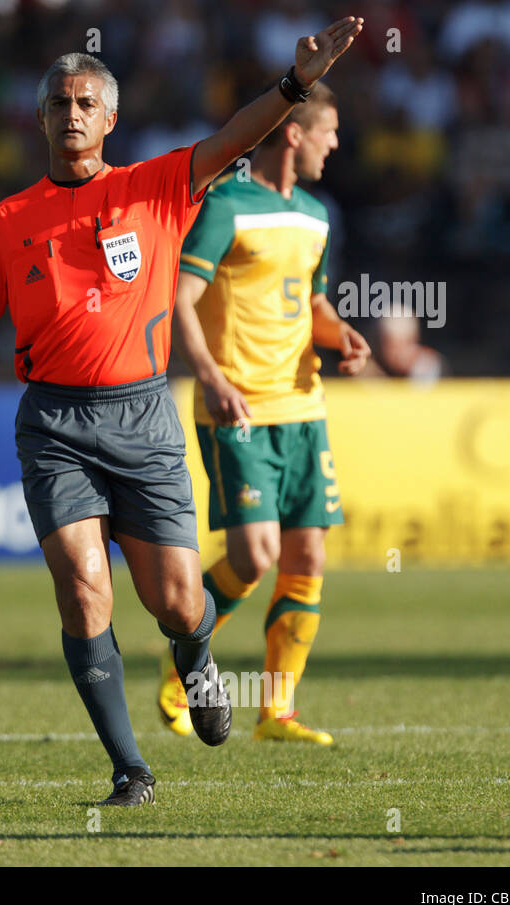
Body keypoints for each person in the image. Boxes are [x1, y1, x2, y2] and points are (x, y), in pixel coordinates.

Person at [0, 18, 363, 805]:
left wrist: (294, 84)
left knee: (177, 602)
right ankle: (129, 769)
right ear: (40, 118)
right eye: (57, 103)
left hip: (142, 421)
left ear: (110, 118)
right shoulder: (7, 221)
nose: (71, 114)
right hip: (54, 426)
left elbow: (233, 135)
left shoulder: (156, 186)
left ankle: (196, 655)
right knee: (83, 588)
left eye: (85, 102)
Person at [158, 81, 371, 745]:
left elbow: (308, 303)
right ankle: (186, 662)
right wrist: (212, 377)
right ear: (295, 133)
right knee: (254, 556)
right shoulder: (226, 205)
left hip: (304, 406)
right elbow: (179, 298)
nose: (335, 144)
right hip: (238, 408)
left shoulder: (316, 213)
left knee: (306, 558)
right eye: (328, 131)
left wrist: (343, 335)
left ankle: (276, 712)